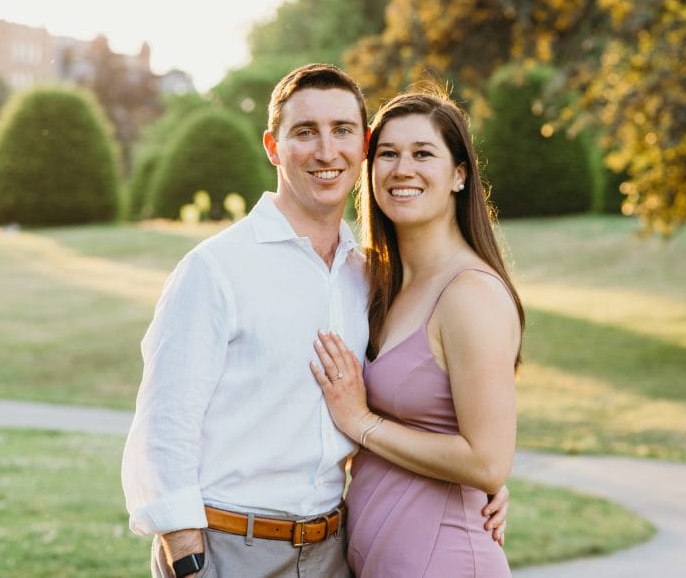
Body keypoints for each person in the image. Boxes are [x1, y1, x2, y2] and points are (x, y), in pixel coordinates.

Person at [122, 65, 508, 578]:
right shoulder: (216, 269)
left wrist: (477, 480)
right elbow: (163, 424)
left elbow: (422, 404)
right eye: (305, 132)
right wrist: (189, 557)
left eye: (343, 130)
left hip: (332, 551)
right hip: (230, 548)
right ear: (272, 146)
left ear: (362, 144)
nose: (326, 151)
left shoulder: (367, 276)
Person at [310, 89, 524, 576]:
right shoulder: (376, 281)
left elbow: (489, 462)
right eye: (387, 154)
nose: (402, 169)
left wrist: (362, 422)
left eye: (423, 153)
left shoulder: (470, 294)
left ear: (459, 175)